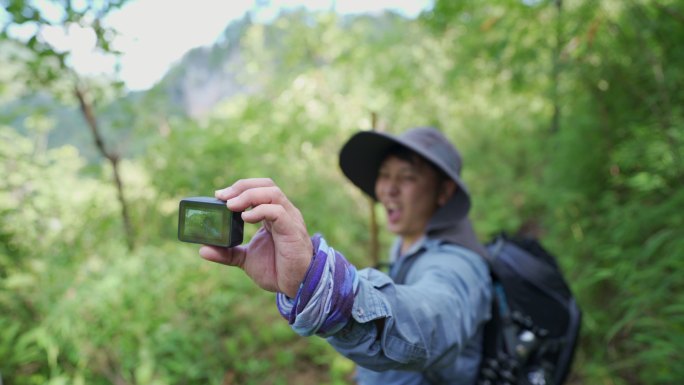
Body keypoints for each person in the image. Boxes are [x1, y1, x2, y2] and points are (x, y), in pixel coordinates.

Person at [199, 127, 492, 385]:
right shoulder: (410, 242)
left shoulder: (459, 264)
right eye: (384, 175)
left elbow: (432, 321)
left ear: (444, 191)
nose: (388, 189)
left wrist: (319, 285)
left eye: (407, 177)